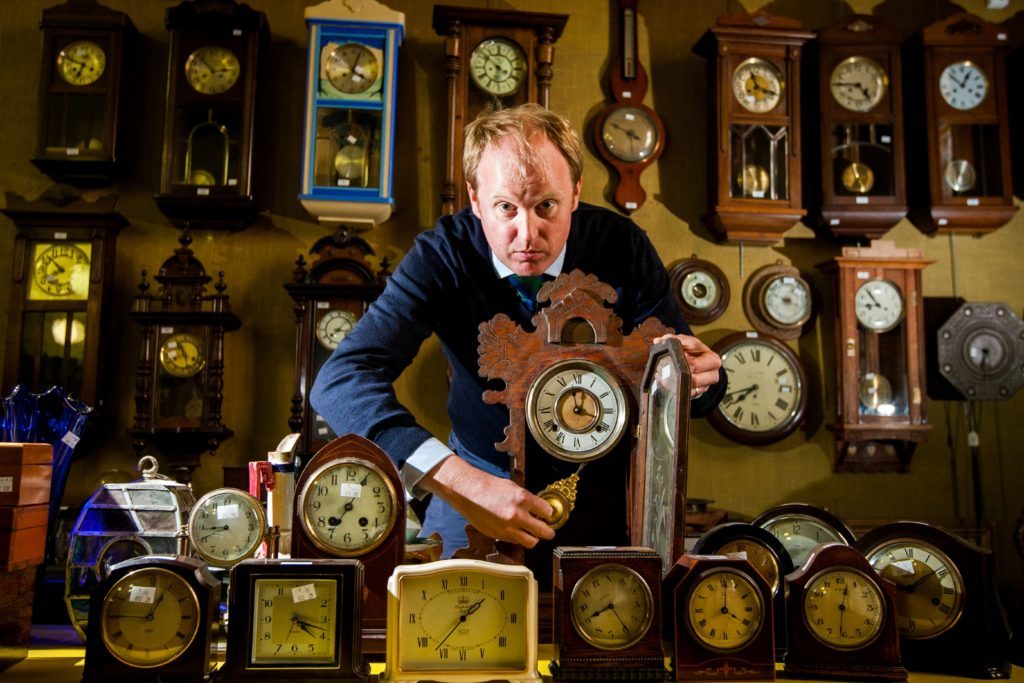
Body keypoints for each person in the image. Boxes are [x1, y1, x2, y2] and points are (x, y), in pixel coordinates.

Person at [310, 103, 725, 561]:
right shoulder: (441, 256)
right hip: (477, 480)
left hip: (606, 485)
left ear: (575, 192)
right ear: (475, 199)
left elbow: (693, 390)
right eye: (505, 207)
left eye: (546, 205)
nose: (526, 234)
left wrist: (703, 378)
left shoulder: (622, 245)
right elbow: (339, 382)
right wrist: (460, 482)